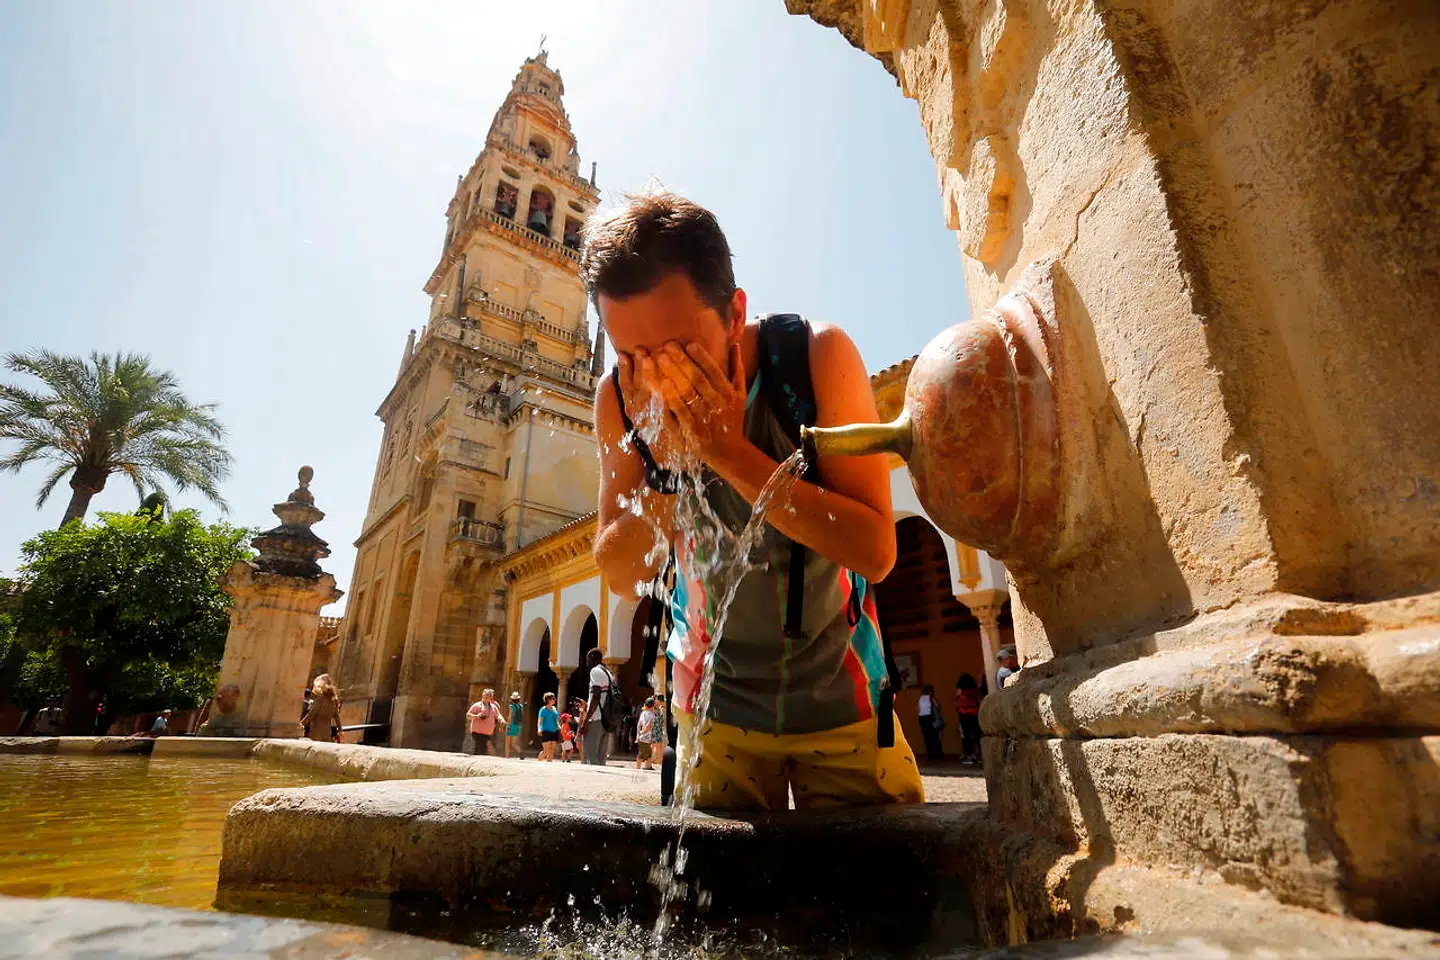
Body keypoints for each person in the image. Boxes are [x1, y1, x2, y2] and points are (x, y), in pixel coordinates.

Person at [586, 192, 924, 811]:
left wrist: (729, 454)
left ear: (735, 312)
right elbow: (620, 572)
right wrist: (669, 468)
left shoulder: (816, 358)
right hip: (712, 714)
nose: (660, 377)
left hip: (844, 703)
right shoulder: (620, 401)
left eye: (681, 349)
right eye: (634, 355)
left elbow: (874, 552)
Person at [578, 647, 615, 766]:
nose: (587, 663)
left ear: (592, 658)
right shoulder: (608, 673)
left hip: (596, 718)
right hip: (606, 719)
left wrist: (586, 720)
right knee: (600, 758)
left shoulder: (595, 671)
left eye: (588, 659)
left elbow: (596, 696)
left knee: (590, 757)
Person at [301, 675, 341, 742]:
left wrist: (301, 724)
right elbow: (336, 716)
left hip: (316, 730)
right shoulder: (333, 701)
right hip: (327, 731)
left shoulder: (319, 700)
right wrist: (340, 730)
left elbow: (311, 714)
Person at [954, 673, 982, 765]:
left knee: (967, 736)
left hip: (963, 714)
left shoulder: (961, 691)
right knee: (977, 735)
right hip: (974, 713)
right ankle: (978, 754)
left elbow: (956, 697)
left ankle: (969, 755)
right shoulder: (974, 691)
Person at [465, 689, 500, 755]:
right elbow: (468, 715)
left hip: (488, 733)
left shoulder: (493, 707)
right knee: (480, 748)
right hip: (477, 732)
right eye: (484, 695)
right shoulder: (477, 705)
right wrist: (476, 716)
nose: (485, 697)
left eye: (488, 695)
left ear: (491, 697)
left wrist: (502, 722)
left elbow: (498, 715)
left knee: (482, 749)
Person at [917, 684, 944, 763]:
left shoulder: (920, 699)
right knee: (935, 737)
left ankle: (930, 755)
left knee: (927, 738)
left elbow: (918, 709)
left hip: (922, 719)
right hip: (930, 719)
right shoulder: (931, 698)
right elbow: (938, 706)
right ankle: (939, 754)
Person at [635, 696, 660, 770]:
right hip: (646, 738)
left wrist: (638, 734)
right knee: (641, 755)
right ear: (652, 706)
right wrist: (643, 732)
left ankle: (648, 766)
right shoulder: (652, 716)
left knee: (649, 754)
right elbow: (649, 726)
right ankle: (638, 768)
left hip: (642, 738)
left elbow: (639, 724)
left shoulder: (643, 713)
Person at [537, 692, 561, 761]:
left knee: (552, 750)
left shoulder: (554, 708)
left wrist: (559, 726)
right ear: (548, 700)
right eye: (553, 698)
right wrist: (539, 729)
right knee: (546, 750)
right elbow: (540, 721)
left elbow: (556, 720)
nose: (554, 700)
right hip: (546, 730)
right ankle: (539, 761)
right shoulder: (543, 710)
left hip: (554, 731)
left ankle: (549, 765)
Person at [505, 692, 525, 758]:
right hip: (517, 725)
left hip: (511, 725)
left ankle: (507, 756)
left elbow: (510, 716)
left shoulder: (511, 706)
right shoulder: (520, 706)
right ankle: (520, 752)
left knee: (507, 743)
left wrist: (507, 725)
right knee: (514, 743)